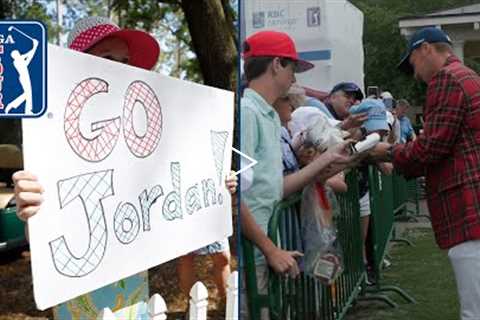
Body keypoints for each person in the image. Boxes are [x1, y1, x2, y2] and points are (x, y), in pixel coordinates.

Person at [240, 30, 355, 319]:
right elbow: (232, 195)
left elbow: (275, 188)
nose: (295, 78)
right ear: (277, 64)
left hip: (260, 250)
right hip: (250, 256)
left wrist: (329, 158)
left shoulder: (265, 115)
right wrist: (270, 249)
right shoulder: (247, 113)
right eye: (293, 68)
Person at [371, 27, 480, 320]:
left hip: (470, 210)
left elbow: (432, 148)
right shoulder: (467, 76)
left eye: (413, 64)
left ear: (426, 49)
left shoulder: (446, 79)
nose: (416, 74)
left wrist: (387, 153)